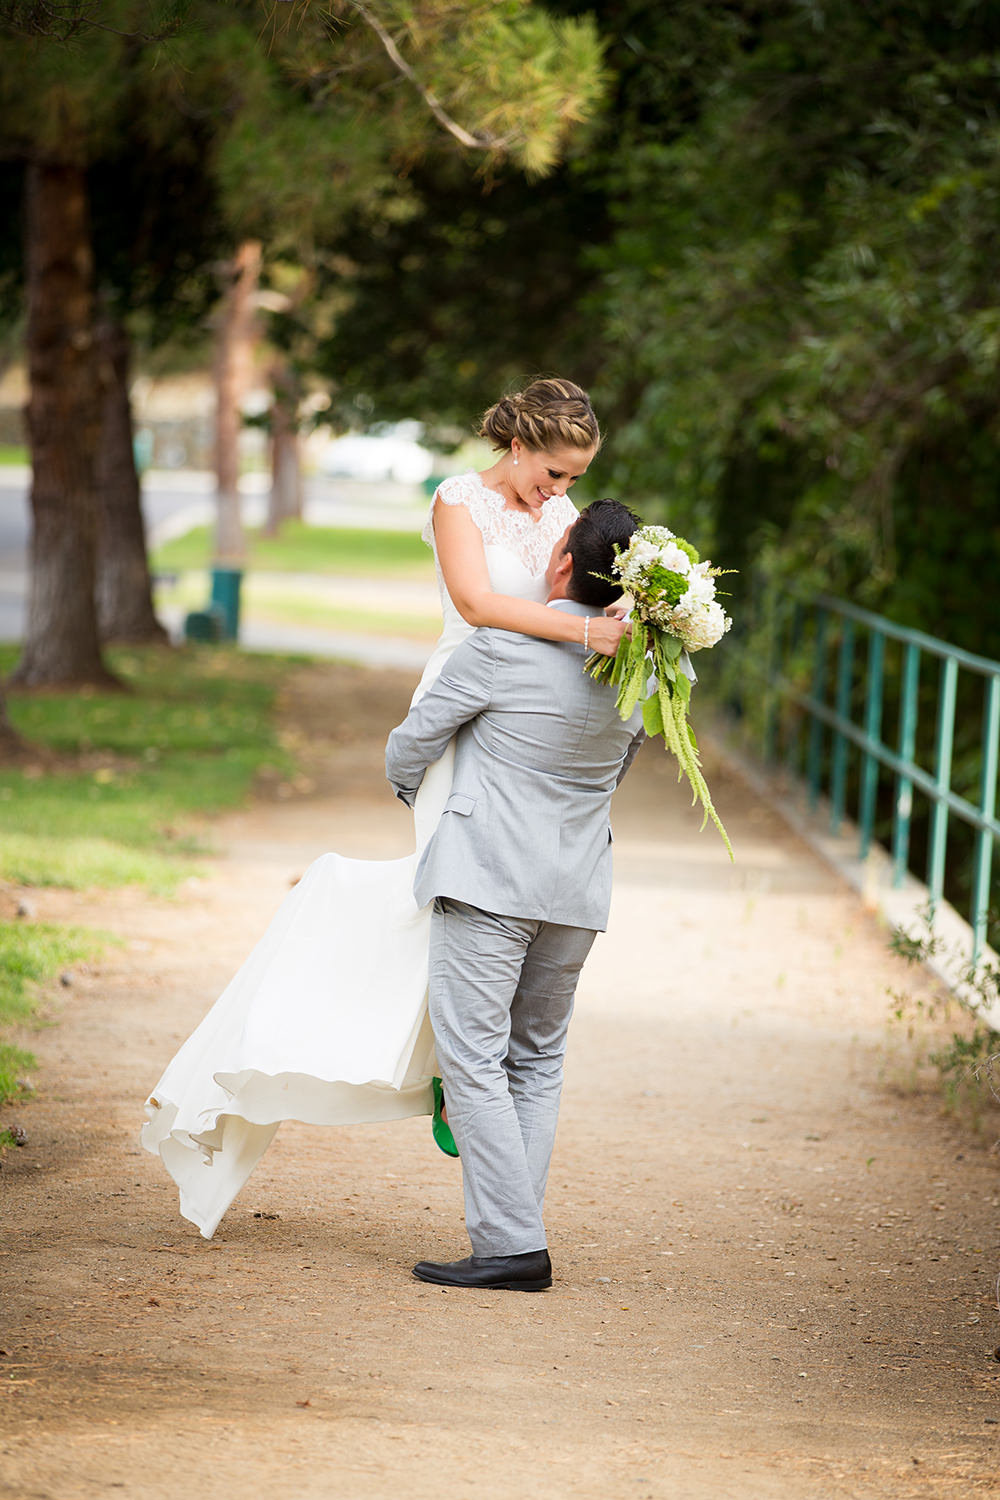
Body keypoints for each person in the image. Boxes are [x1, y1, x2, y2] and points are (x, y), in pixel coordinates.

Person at [141, 377, 627, 1239]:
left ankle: (463, 1086)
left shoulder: (561, 514)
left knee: (479, 914)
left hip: (534, 712)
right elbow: (479, 607)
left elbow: (585, 583)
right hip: (465, 703)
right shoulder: (458, 502)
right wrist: (585, 633)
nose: (561, 494)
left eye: (573, 480)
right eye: (554, 473)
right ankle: (454, 1070)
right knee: (454, 894)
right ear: (517, 447)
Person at [385, 500, 645, 1291]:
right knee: (534, 1061)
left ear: (562, 564)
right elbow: (619, 768)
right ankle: (513, 1235)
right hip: (575, 887)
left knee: (472, 1057)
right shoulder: (643, 672)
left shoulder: (500, 646)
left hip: (489, 874)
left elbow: (412, 742)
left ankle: (510, 1248)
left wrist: (411, 791)